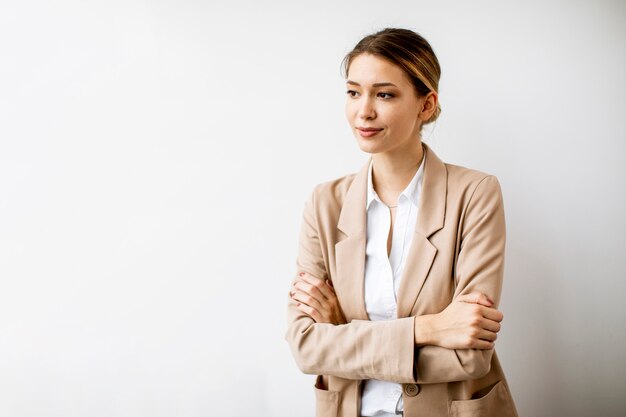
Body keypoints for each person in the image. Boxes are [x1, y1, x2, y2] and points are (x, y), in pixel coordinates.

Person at [285, 28, 519, 417]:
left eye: (385, 94)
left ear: (426, 106)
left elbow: (469, 357)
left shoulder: (475, 194)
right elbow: (306, 346)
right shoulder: (324, 203)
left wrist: (343, 331)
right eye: (353, 92)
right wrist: (430, 329)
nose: (364, 111)